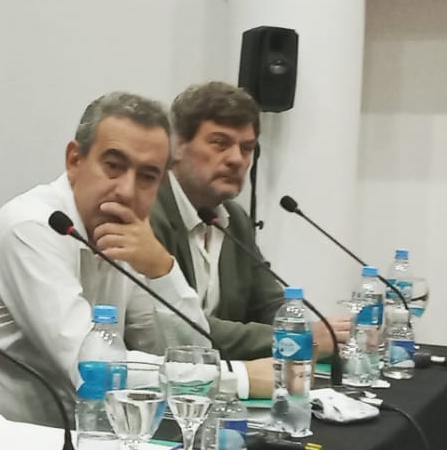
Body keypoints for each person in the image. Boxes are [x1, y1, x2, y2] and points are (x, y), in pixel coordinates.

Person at [0, 91, 253, 432]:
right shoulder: (31, 227)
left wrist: (162, 269)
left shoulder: (123, 235)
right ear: (74, 160)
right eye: (113, 166)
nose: (127, 190)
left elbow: (190, 352)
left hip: (61, 443)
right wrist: (237, 377)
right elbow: (92, 371)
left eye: (147, 176)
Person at [149, 81, 348, 362]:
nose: (236, 159)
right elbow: (182, 326)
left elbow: (268, 304)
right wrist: (295, 339)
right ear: (177, 146)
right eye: (220, 143)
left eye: (247, 148)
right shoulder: (150, 212)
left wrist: (316, 332)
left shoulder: (235, 219)